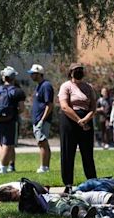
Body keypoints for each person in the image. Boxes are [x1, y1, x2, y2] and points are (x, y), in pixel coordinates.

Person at [58, 63, 97, 193]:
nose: (79, 72)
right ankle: (68, 184)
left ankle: (92, 181)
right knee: (68, 152)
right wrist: (79, 120)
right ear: (70, 73)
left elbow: (93, 107)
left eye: (81, 70)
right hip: (69, 120)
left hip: (86, 119)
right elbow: (64, 106)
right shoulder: (66, 86)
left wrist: (86, 119)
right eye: (76, 70)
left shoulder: (89, 87)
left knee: (87, 153)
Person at [0, 66, 26, 174]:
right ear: (13, 78)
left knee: (1, 143)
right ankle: (3, 168)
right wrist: (13, 113)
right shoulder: (17, 91)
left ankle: (1, 165)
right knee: (9, 144)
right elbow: (22, 108)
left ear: (4, 77)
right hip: (11, 121)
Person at [28, 64, 54, 173]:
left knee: (42, 142)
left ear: (39, 74)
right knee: (41, 143)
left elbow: (49, 105)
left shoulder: (46, 85)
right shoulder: (39, 86)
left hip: (42, 119)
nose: (31, 76)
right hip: (37, 119)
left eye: (33, 74)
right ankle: (45, 166)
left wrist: (42, 119)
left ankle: (44, 167)